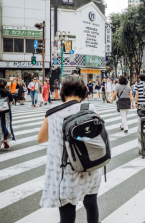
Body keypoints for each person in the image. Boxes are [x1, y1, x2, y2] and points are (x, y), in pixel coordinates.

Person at [38, 76, 102, 223]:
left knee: (67, 213)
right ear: (83, 92)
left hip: (65, 171)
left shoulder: (53, 112)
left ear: (63, 92)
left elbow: (40, 138)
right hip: (89, 166)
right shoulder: (89, 108)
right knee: (91, 204)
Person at [0, 78, 15, 149]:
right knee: (7, 124)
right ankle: (6, 139)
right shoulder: (8, 92)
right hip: (6, 112)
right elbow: (10, 103)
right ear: (6, 85)